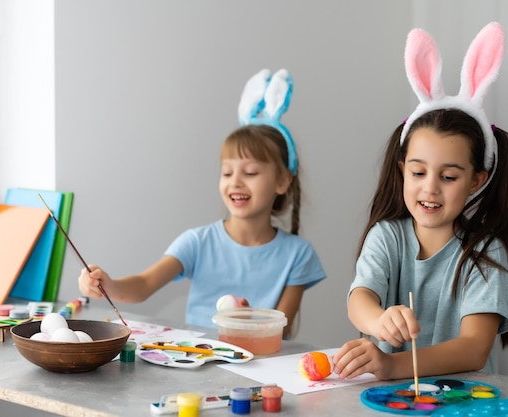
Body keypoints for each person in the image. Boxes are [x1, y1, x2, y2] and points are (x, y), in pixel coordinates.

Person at [332, 22, 508, 380]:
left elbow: (474, 348)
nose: (430, 188)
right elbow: (359, 299)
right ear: (403, 170)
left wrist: (391, 365)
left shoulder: (485, 251)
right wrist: (379, 319)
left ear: (476, 182)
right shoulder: (387, 236)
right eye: (419, 173)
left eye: (449, 176)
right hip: (391, 400)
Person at [78, 69, 326, 339]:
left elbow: (284, 327)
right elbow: (144, 284)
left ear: (282, 181)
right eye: (227, 172)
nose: (236, 182)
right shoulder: (197, 242)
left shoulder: (298, 254)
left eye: (251, 172)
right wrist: (108, 285)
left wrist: (248, 318)